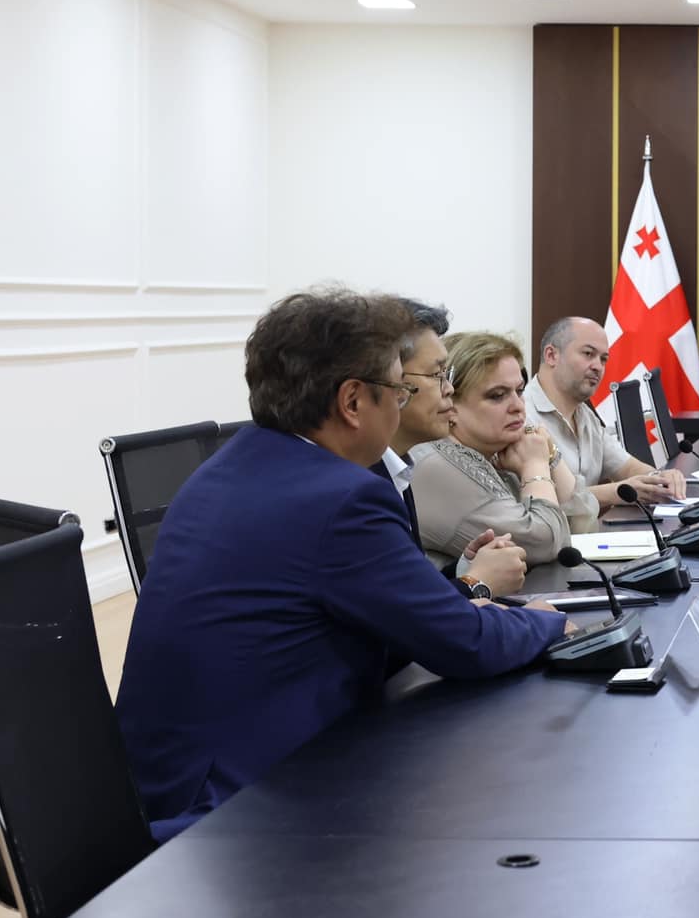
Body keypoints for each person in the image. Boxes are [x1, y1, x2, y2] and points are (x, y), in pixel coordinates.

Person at [115, 289, 569, 841]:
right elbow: (464, 645)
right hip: (233, 817)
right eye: (399, 389)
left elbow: (394, 620)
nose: (403, 403)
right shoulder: (340, 498)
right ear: (353, 402)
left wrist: (462, 599)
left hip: (164, 788)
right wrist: (546, 622)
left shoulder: (233, 467)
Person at [377, 299, 526, 600]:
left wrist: (463, 570)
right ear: (391, 383)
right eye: (437, 375)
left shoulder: (397, 465)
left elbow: (409, 589)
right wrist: (475, 582)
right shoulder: (360, 485)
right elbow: (401, 615)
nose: (449, 389)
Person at [411, 332, 575, 568]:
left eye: (519, 391)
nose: (518, 406)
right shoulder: (437, 465)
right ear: (450, 404)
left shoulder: (496, 450)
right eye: (497, 396)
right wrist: (535, 465)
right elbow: (545, 544)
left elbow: (580, 518)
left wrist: (549, 453)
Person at [527, 316, 686, 527]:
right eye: (588, 354)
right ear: (551, 355)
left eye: (603, 359)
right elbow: (540, 501)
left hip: (589, 540)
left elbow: (627, 467)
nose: (598, 367)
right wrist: (617, 492)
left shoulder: (585, 415)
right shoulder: (522, 416)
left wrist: (660, 478)